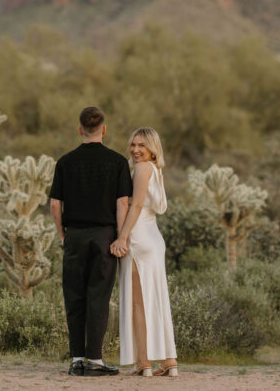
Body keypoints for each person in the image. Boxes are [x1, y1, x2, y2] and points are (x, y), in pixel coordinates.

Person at [49, 106, 132, 377]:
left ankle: (76, 359)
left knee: (74, 297)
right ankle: (95, 360)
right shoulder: (118, 162)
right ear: (104, 130)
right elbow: (122, 203)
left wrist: (63, 234)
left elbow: (55, 204)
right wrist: (121, 236)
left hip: (74, 236)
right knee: (98, 296)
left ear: (79, 129)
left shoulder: (65, 162)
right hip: (104, 237)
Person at [110, 127, 178, 377]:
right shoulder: (156, 170)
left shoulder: (141, 168)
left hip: (138, 238)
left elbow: (135, 204)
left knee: (138, 302)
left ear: (152, 148)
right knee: (157, 300)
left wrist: (123, 236)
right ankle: (169, 360)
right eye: (133, 145)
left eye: (142, 145)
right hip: (153, 238)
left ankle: (143, 362)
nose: (136, 150)